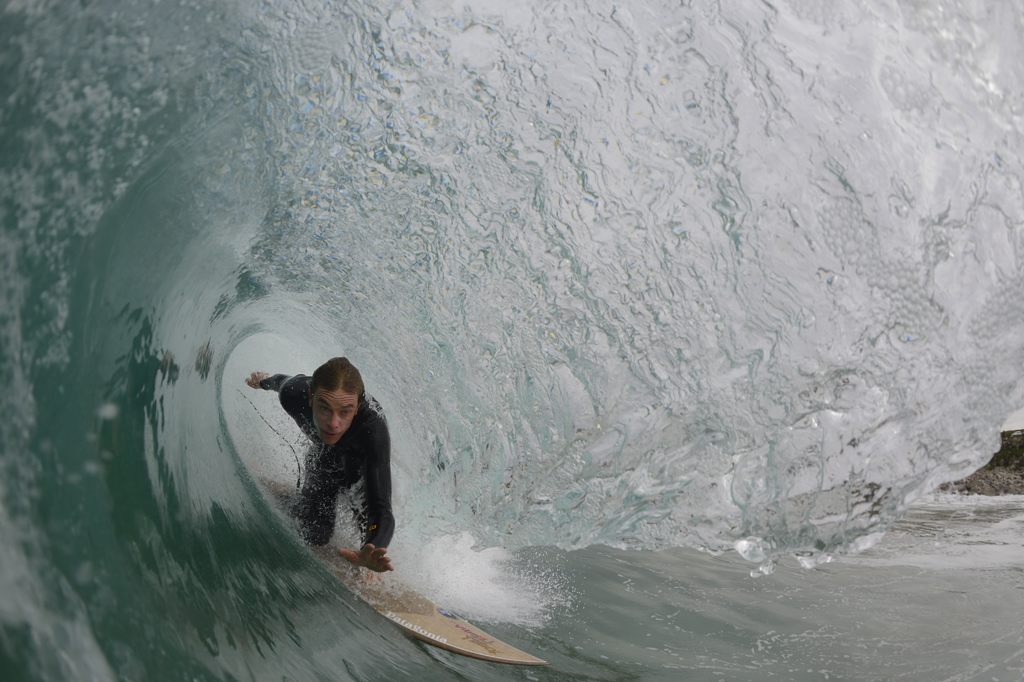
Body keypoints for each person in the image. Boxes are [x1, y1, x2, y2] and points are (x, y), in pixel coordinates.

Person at [246, 357, 394, 572]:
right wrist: (262, 382)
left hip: (360, 466)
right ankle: (287, 495)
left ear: (357, 408)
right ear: (309, 397)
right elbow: (279, 381)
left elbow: (381, 509)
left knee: (367, 521)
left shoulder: (373, 430)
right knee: (315, 535)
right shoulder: (293, 393)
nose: (334, 424)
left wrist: (375, 546)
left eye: (345, 411)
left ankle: (366, 556)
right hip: (324, 457)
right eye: (324, 408)